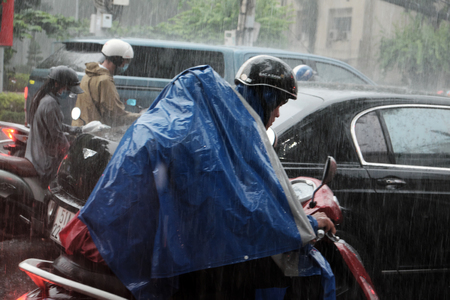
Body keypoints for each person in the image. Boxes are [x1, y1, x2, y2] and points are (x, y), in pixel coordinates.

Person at [60, 55, 336, 299]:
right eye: (278, 104)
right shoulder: (221, 139)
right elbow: (242, 211)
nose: (277, 114)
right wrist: (304, 226)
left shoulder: (203, 125)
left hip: (97, 234)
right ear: (263, 98)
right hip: (119, 251)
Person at [25, 66, 84, 185]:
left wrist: (79, 129)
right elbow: (57, 136)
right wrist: (72, 154)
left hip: (38, 157)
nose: (68, 92)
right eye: (67, 88)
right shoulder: (50, 104)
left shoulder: (45, 99)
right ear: (57, 84)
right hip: (44, 163)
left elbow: (57, 126)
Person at [72, 39, 141, 127]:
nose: (125, 66)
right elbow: (116, 115)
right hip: (93, 133)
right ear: (117, 59)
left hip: (80, 127)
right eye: (125, 62)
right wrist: (141, 116)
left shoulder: (89, 74)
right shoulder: (104, 80)